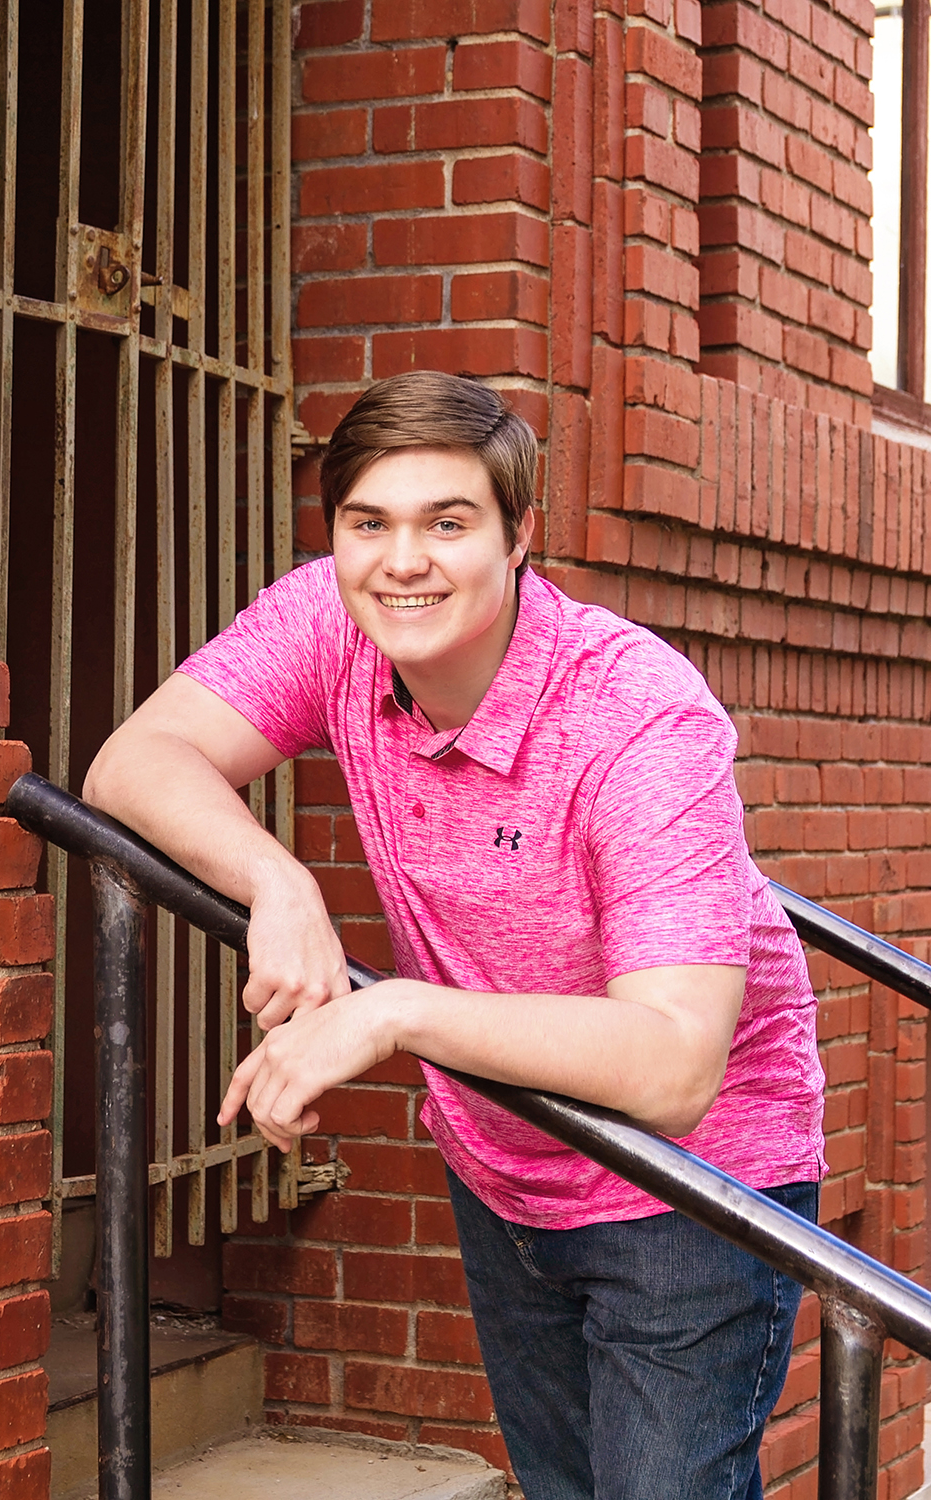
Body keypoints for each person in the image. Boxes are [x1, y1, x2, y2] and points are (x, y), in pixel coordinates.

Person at [84, 370, 825, 1500]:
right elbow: (131, 763)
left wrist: (392, 1012)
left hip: (691, 1189)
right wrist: (275, 879)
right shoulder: (332, 619)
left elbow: (674, 1065)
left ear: (521, 534)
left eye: (448, 521)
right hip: (505, 1164)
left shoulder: (638, 715)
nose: (403, 560)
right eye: (367, 522)